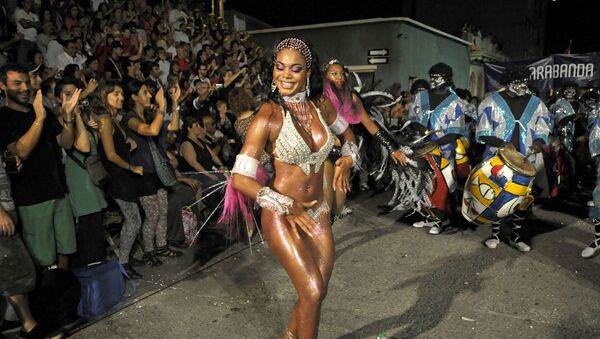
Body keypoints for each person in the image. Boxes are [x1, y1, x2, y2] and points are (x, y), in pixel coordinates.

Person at [231, 37, 357, 339]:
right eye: (279, 67)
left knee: (316, 292)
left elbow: (349, 135)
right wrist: (288, 206)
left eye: (295, 68)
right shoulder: (268, 115)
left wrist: (348, 159)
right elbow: (240, 178)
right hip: (282, 214)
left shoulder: (322, 106)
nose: (285, 74)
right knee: (312, 291)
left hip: (318, 212)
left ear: (308, 73)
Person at [0, 64, 77, 270]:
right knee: (44, 259)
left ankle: (62, 294)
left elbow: (66, 143)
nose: (25, 88)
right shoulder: (4, 118)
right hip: (32, 197)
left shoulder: (43, 111)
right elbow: (21, 151)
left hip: (59, 190)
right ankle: (48, 299)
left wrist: (68, 117)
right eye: (17, 83)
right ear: (2, 86)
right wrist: (39, 119)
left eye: (26, 82)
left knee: (66, 250)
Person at [475, 64, 550, 252]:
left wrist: (540, 141)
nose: (521, 86)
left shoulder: (536, 103)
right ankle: (495, 235)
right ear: (507, 83)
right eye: (517, 82)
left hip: (525, 159)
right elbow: (483, 132)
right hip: (498, 158)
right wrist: (501, 143)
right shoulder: (491, 102)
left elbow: (543, 128)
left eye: (524, 82)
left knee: (522, 199)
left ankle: (516, 237)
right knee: (497, 197)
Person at [321, 59, 408, 219]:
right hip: (321, 154)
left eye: (342, 74)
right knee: (324, 205)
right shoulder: (318, 97)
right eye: (334, 74)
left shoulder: (352, 97)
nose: (339, 77)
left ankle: (332, 219)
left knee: (337, 207)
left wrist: (392, 148)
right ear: (325, 76)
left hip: (343, 153)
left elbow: (370, 125)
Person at [122, 81, 182, 265]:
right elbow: (151, 130)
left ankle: (162, 246)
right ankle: (148, 251)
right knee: (153, 214)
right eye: (145, 92)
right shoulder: (129, 118)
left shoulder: (149, 115)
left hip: (157, 171)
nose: (149, 95)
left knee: (163, 211)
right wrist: (162, 107)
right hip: (141, 173)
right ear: (133, 97)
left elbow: (174, 127)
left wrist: (174, 103)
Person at [408, 62, 469, 235]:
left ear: (447, 78)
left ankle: (440, 219)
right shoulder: (421, 97)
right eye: (432, 76)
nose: (433, 80)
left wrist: (437, 142)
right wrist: (420, 129)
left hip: (444, 149)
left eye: (437, 77)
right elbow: (413, 119)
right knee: (424, 182)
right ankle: (427, 216)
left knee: (442, 184)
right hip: (422, 146)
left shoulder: (455, 101)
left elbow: (456, 131)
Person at [94, 80, 144, 278]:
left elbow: (119, 145)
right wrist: (132, 166)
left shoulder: (114, 119)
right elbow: (110, 155)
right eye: (115, 94)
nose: (121, 97)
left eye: (122, 94)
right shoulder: (105, 120)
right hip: (117, 178)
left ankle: (126, 260)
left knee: (134, 219)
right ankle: (122, 263)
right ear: (104, 96)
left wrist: (128, 142)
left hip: (124, 177)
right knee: (133, 221)